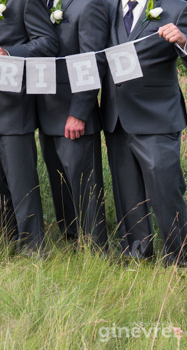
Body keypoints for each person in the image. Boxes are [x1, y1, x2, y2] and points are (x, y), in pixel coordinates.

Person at [101, 0, 187, 266]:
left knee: (165, 191)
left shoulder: (178, 7)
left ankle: (179, 258)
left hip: (156, 116)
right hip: (116, 116)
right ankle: (138, 253)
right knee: (127, 193)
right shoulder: (107, 7)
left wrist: (183, 42)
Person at [0, 0, 58, 255]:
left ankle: (34, 247)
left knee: (21, 181)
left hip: (11, 103)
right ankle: (1, 242)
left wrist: (10, 53)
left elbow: (48, 42)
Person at [37, 0, 109, 249]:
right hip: (45, 109)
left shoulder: (89, 5)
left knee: (84, 187)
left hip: (73, 114)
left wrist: (79, 112)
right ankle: (71, 240)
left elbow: (94, 61)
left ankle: (96, 247)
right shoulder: (41, 4)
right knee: (60, 185)